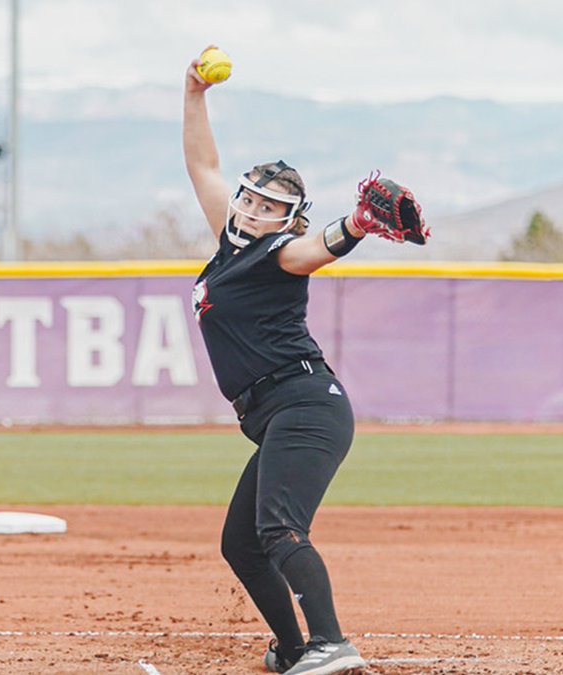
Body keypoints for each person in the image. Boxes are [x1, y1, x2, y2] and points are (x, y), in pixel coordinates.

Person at [183, 46, 425, 675]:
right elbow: (202, 162)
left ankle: (331, 644)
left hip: (304, 404)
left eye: (271, 208)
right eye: (251, 199)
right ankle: (293, 650)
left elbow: (316, 250)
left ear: (288, 219)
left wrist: (358, 224)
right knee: (241, 543)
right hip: (275, 411)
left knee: (279, 529)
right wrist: (194, 93)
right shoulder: (231, 246)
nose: (254, 211)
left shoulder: (277, 253)